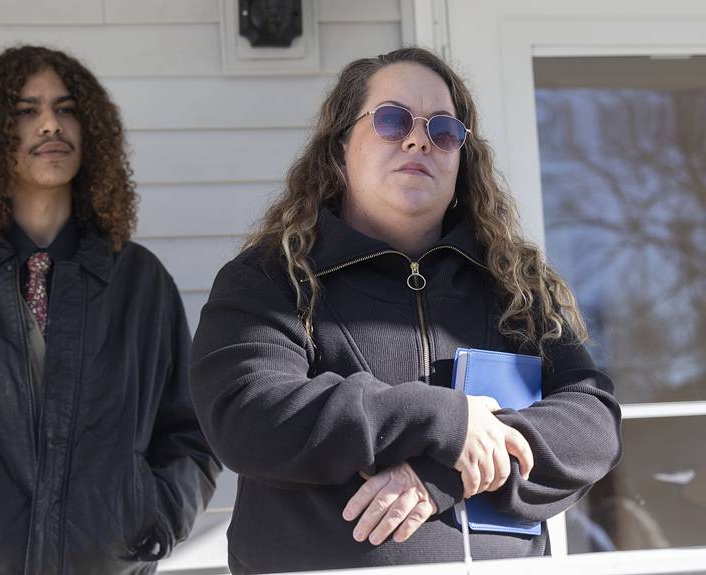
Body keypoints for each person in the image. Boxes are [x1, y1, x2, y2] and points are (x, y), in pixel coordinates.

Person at [189, 47, 622, 573]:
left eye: (443, 129)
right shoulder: (271, 278)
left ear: (463, 157)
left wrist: (452, 471)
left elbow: (592, 423)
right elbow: (247, 414)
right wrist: (441, 417)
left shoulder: (515, 284)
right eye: (393, 120)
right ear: (340, 147)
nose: (418, 139)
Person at [0, 46, 219, 574]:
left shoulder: (140, 281)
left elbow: (190, 431)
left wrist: (153, 516)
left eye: (67, 108)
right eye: (26, 111)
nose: (51, 124)